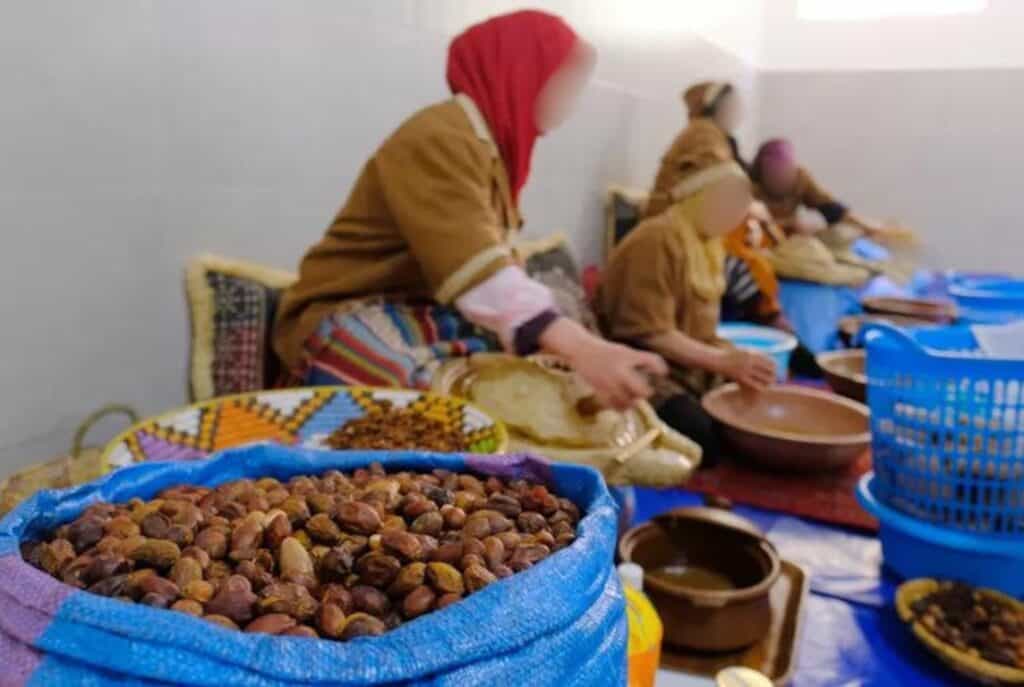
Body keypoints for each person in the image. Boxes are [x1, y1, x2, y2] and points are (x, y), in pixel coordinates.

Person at [272, 10, 665, 410]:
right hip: (351, 310)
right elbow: (476, 267)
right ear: (520, 70)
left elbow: (498, 272)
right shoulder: (440, 136)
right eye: (563, 80)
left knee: (516, 374)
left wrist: (571, 344)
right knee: (425, 405)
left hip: (420, 311)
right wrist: (581, 347)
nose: (572, 101)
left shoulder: (490, 153)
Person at [597, 123, 776, 459]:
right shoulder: (658, 239)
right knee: (702, 435)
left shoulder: (707, 241)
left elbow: (701, 330)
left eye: (739, 205)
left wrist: (736, 362)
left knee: (759, 402)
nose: (734, 214)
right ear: (698, 196)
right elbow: (647, 333)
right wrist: (722, 361)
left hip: (688, 362)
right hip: (640, 364)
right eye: (725, 201)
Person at [751, 138, 889, 240]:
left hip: (793, 242)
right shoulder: (750, 188)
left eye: (786, 173)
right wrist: (790, 224)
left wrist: (863, 225)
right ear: (763, 173)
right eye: (774, 174)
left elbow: (830, 208)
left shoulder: (801, 179)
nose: (781, 179)